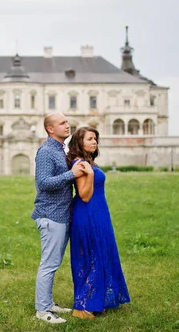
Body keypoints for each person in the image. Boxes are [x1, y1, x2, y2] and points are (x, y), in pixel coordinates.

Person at [67, 126, 130, 319]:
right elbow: (84, 196)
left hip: (99, 212)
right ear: (80, 142)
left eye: (95, 139)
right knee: (91, 255)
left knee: (101, 253)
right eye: (90, 139)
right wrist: (92, 175)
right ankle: (81, 306)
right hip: (88, 212)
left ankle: (96, 300)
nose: (94, 142)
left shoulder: (89, 161)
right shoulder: (80, 163)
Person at [32, 113, 86, 324]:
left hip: (62, 215)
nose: (67, 125)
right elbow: (43, 183)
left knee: (53, 263)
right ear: (50, 129)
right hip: (50, 215)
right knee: (49, 264)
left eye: (67, 122)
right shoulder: (46, 151)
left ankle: (48, 302)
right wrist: (71, 174)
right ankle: (42, 310)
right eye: (62, 123)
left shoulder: (60, 150)